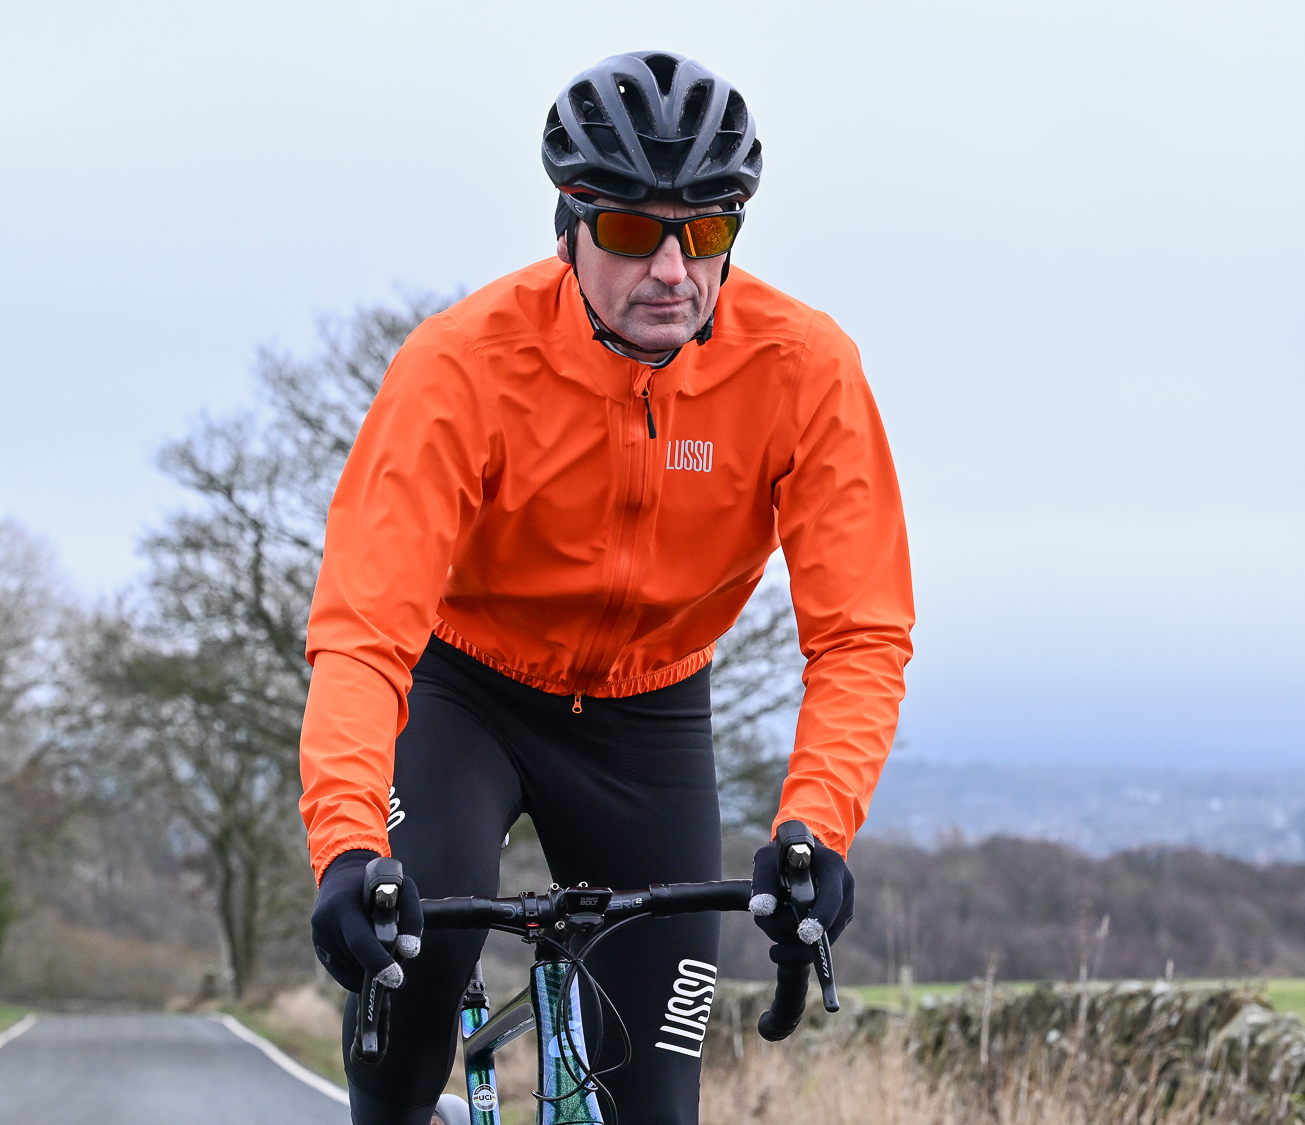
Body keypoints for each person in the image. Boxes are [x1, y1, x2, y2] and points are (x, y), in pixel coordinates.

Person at [302, 50, 913, 1124]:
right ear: (568, 226)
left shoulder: (804, 369)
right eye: (633, 233)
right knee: (410, 972)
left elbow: (859, 634)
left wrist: (814, 827)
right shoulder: (460, 368)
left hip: (649, 717)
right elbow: (361, 631)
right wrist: (347, 849)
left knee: (656, 1102)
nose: (673, 271)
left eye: (709, 229)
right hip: (464, 692)